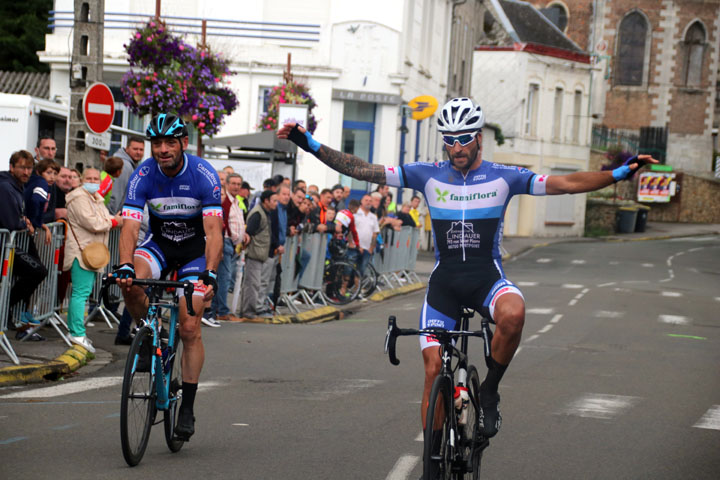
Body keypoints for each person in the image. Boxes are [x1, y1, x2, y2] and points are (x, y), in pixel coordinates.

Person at [277, 96, 656, 442]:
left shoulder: (504, 177)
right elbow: (361, 169)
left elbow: (568, 183)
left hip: (485, 278)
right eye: (449, 139)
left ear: (478, 138)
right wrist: (308, 142)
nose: (456, 147)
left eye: (463, 139)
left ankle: (489, 390)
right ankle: (434, 456)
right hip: (444, 284)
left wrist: (620, 174)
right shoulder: (426, 174)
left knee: (515, 313)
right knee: (431, 372)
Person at [113, 114, 223, 441]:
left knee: (190, 325)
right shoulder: (143, 174)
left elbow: (214, 231)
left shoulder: (203, 174)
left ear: (183, 144)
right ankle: (149, 331)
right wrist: (125, 265)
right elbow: (131, 226)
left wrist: (211, 274)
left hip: (194, 252)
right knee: (130, 284)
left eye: (169, 143)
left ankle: (187, 407)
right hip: (159, 245)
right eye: (156, 143)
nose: (162, 149)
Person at [64, 168, 123, 352]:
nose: (93, 181)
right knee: (80, 293)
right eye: (89, 178)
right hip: (81, 252)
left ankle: (77, 331)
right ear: (82, 179)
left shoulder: (95, 197)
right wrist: (114, 222)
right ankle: (76, 332)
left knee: (83, 291)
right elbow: (94, 223)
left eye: (96, 178)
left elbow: (103, 218)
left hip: (91, 252)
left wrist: (111, 220)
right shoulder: (79, 198)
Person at [0, 150, 48, 340]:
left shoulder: (16, 186)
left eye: (29, 168)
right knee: (37, 270)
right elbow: (9, 221)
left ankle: (8, 312)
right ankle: (5, 310)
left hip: (10, 244)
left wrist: (24, 220)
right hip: (5, 245)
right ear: (12, 167)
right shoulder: (5, 186)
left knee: (37, 271)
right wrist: (23, 224)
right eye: (22, 167)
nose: (26, 172)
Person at [205, 173, 247, 325]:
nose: (236, 186)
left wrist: (243, 235)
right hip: (225, 242)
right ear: (227, 184)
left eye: (238, 184)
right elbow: (222, 224)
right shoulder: (225, 201)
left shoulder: (236, 201)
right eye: (233, 183)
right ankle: (222, 311)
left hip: (233, 243)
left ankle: (217, 309)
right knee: (224, 278)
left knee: (225, 277)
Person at [241, 190, 277, 318]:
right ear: (266, 201)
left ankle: (254, 309)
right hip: (254, 254)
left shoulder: (266, 213)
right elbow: (248, 234)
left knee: (258, 283)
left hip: (261, 254)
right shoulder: (257, 213)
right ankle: (248, 311)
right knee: (252, 284)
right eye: (274, 201)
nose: (276, 204)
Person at [107, 136, 146, 215]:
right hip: (115, 218)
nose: (138, 152)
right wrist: (112, 219)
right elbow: (116, 194)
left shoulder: (132, 165)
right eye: (135, 149)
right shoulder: (124, 165)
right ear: (127, 148)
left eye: (141, 150)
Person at [24, 159, 57, 246]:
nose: (52, 177)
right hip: (27, 226)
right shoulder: (42, 183)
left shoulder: (46, 185)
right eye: (49, 173)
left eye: (55, 173)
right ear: (39, 172)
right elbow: (36, 200)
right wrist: (35, 222)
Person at [353, 194, 380, 277]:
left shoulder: (373, 217)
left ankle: (358, 287)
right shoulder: (355, 215)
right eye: (366, 200)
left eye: (370, 201)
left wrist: (371, 247)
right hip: (355, 247)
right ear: (361, 201)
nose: (368, 202)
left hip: (367, 249)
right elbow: (351, 231)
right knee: (350, 269)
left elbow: (375, 233)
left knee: (362, 270)